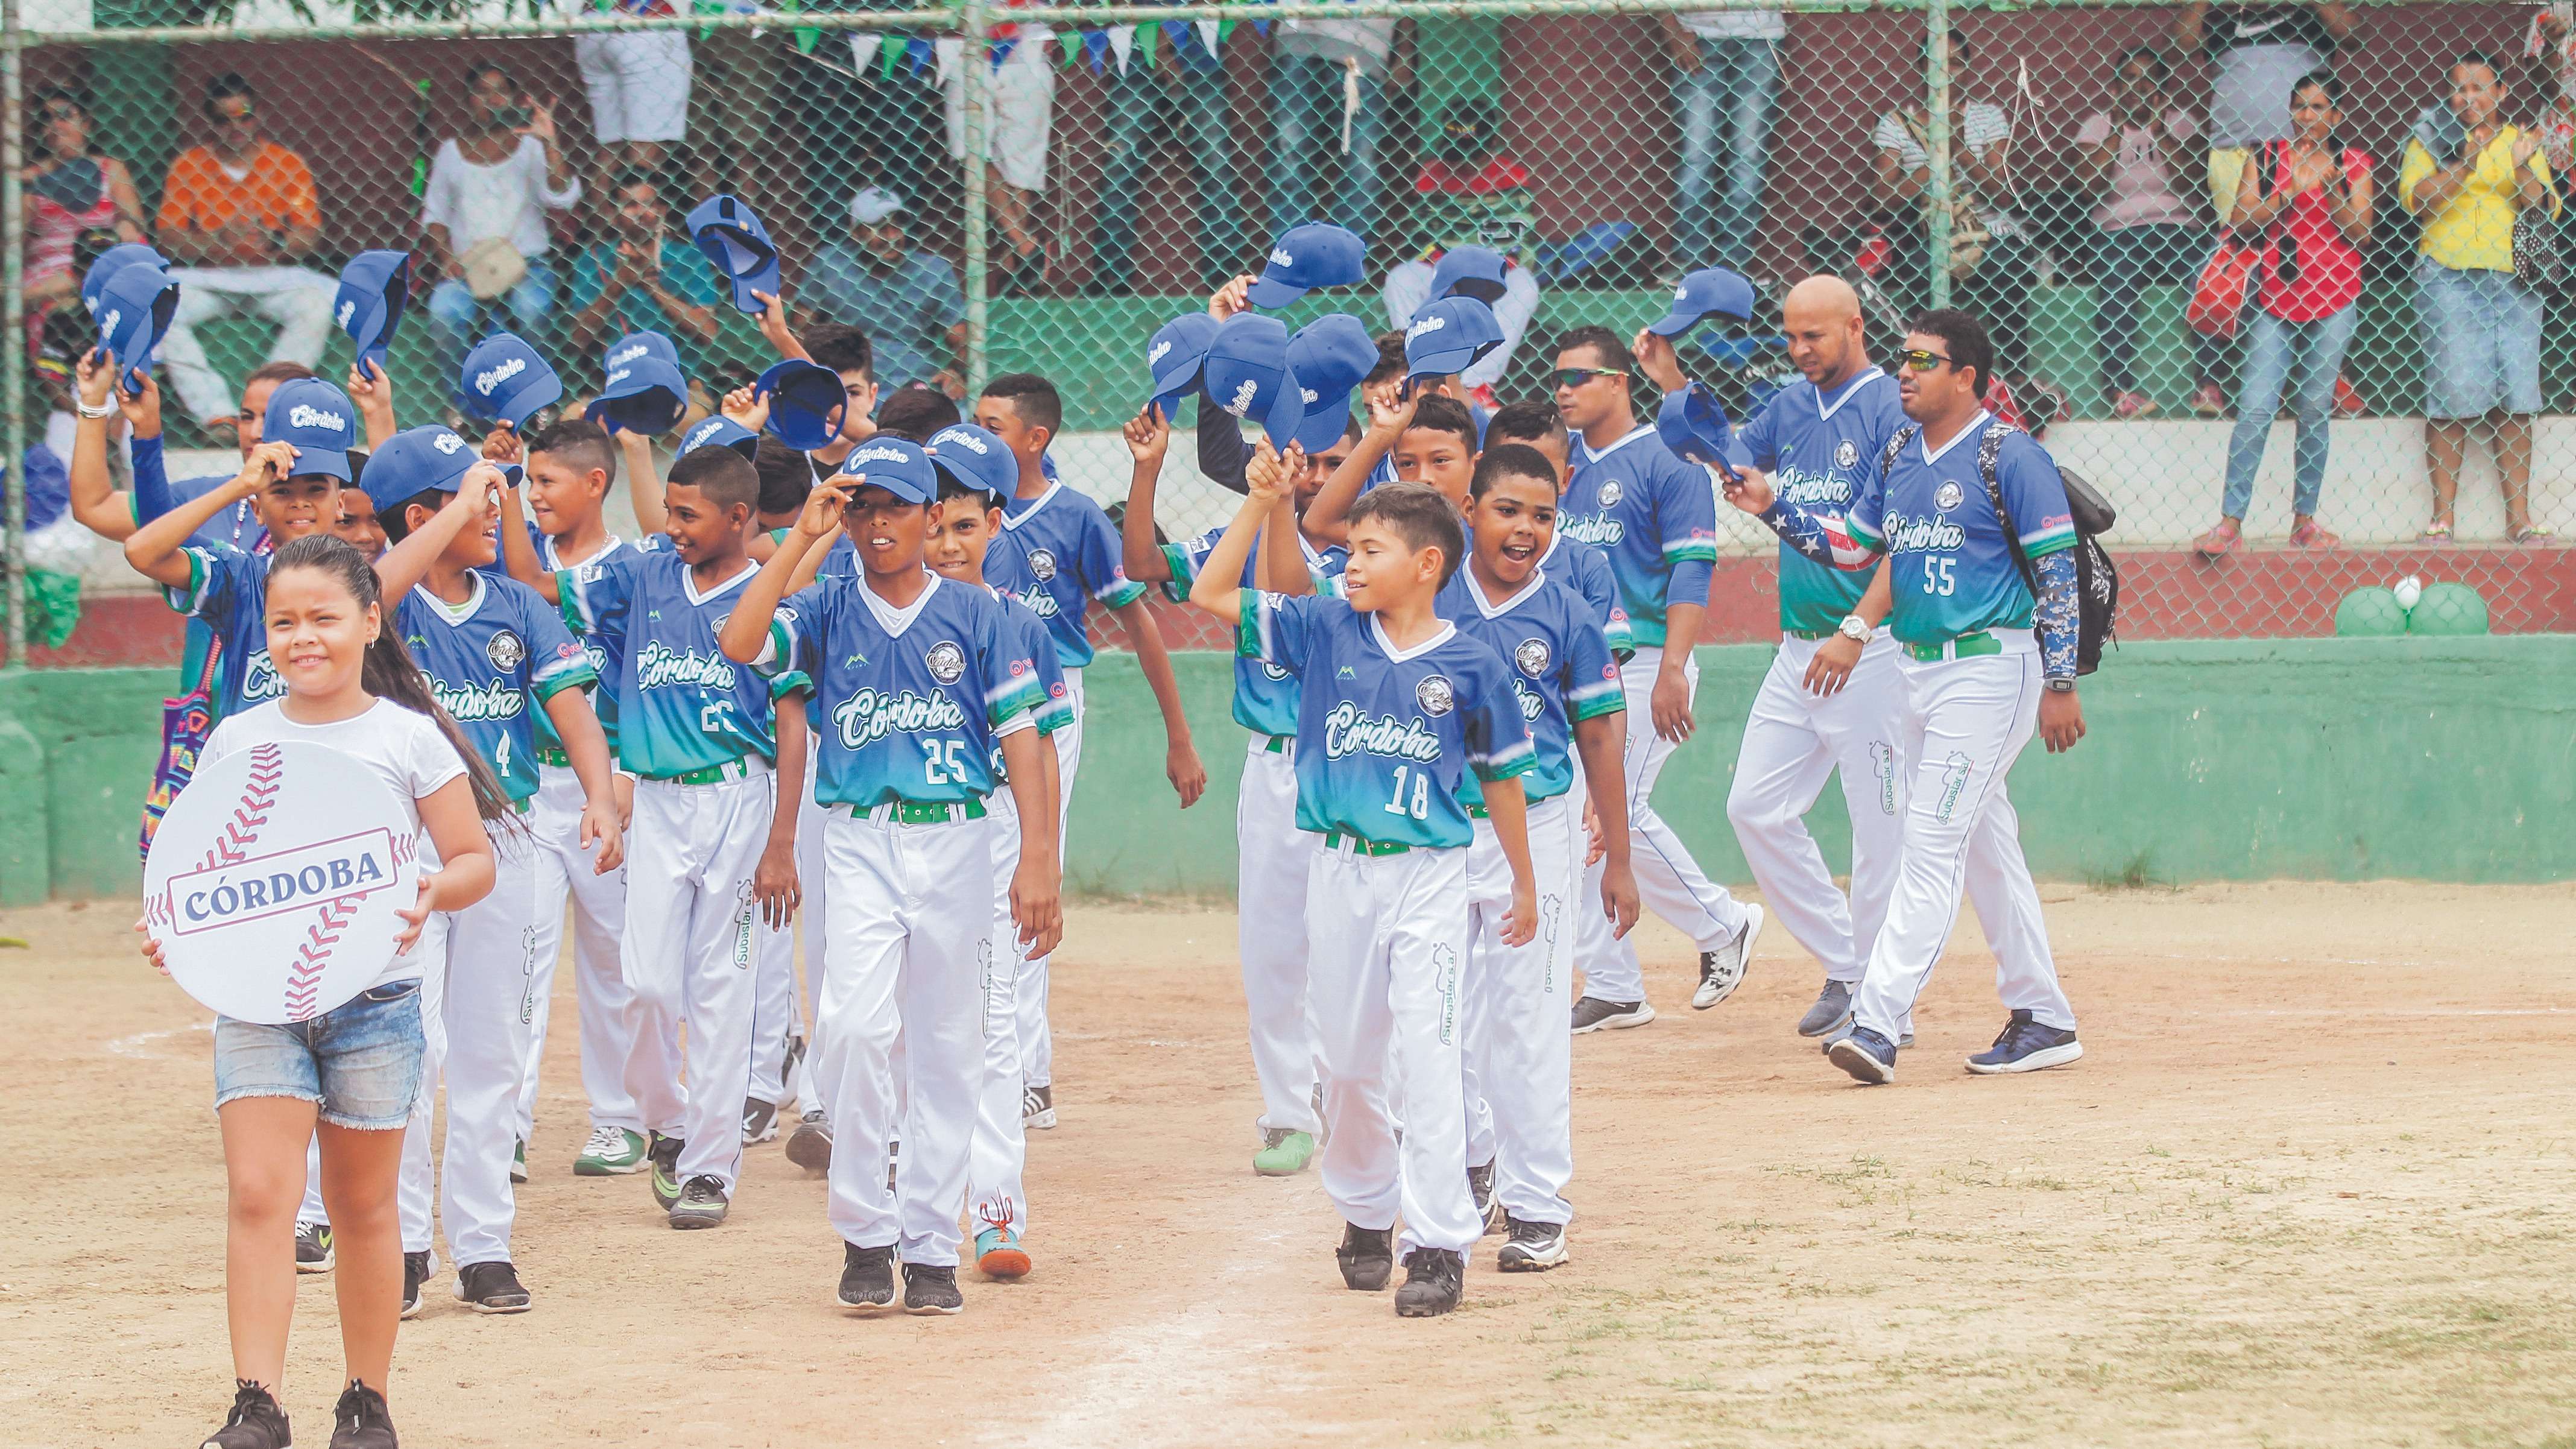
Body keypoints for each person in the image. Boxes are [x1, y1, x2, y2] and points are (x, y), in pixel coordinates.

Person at [145, 533, 503, 1449]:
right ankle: (256, 1402)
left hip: (376, 1004)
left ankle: (366, 1397)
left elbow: (474, 859)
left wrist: (431, 889)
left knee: (362, 1205)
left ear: (370, 621)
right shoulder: (240, 738)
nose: (303, 637)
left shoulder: (407, 735)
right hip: (261, 1003)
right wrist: (180, 931)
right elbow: (198, 871)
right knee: (262, 1193)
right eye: (284, 621)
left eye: (324, 618)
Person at [712, 441, 1062, 1317]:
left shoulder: (983, 616)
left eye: (895, 507)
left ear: (932, 517)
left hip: (956, 837)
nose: (877, 523)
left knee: (949, 1049)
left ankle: (931, 1244)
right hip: (860, 839)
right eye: (862, 506)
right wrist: (801, 536)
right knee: (855, 1029)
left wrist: (1040, 856)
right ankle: (865, 1228)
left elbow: (1026, 740)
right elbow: (740, 639)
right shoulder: (827, 606)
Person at [1185, 475, 1539, 1319]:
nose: (1348, 563)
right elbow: (1207, 590)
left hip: (1429, 874)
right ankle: (1368, 1209)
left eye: (1369, 550)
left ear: (1425, 564)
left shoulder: (1470, 661)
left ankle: (1439, 1240)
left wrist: (1523, 881)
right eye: (1346, 549)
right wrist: (1261, 501)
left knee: (1428, 1052)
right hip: (1338, 868)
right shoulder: (1324, 627)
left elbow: (1502, 780)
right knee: (1344, 1063)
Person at [1724, 308, 2086, 1084]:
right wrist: (1773, 507)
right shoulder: (1901, 451)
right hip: (1917, 669)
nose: (1906, 372)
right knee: (1988, 850)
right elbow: (1859, 547)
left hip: (1991, 668)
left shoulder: (2009, 454)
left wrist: (2061, 681)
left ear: (1966, 376)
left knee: (1930, 843)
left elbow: (2057, 574)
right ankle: (2044, 1015)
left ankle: (1879, 1023)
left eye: (1925, 360)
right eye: (1902, 359)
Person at [519, 443, 813, 1230]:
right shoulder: (649, 574)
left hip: (739, 803)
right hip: (656, 800)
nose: (671, 527)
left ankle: (710, 1168)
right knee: (644, 982)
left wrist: (782, 837)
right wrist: (610, 801)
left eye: (690, 515)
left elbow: (791, 724)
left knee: (721, 992)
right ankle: (669, 1120)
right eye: (670, 511)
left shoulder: (767, 600)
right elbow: (539, 580)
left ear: (740, 518)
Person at [370, 425, 623, 1314]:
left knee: (492, 1050)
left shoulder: (518, 605)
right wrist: (454, 508)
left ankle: (482, 1243)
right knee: (409, 1048)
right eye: (480, 496)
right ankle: (402, 1245)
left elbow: (573, 709)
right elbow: (369, 592)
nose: (500, 509)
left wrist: (597, 790)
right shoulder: (383, 605)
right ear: (422, 514)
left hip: (505, 843)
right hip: (401, 854)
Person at [1638, 276, 1907, 1045]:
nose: (1798, 351)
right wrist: (1673, 383)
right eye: (1789, 337)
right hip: (1798, 648)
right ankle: (1849, 966)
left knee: (1879, 830)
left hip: (1870, 646)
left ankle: (1886, 1003)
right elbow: (1725, 457)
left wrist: (1858, 627)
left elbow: (1896, 536)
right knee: (1753, 807)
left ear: (1855, 326)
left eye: (1813, 336)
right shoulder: (1793, 403)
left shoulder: (1891, 406)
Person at [1123, 403, 1352, 1177]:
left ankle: (1354, 1093)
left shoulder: (1376, 551)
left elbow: (1290, 595)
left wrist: (1281, 505)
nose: (1316, 477)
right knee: (1274, 944)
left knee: (1355, 942)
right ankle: (1290, 1110)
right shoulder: (1239, 539)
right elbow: (1146, 570)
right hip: (1277, 766)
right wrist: (1149, 469)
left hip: (1355, 765)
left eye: (1332, 464)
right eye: (1306, 463)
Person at [975, 372, 1205, 1127]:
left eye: (994, 425)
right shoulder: (958, 512)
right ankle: (985, 1054)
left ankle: (1026, 1069)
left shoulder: (1074, 516)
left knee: (1030, 863)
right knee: (974, 866)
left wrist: (1177, 734)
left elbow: (1137, 619)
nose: (980, 438)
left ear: (1036, 438)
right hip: (966, 697)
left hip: (1048, 698)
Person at [1433, 444, 1637, 1269]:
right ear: (1471, 509)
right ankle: (1472, 1157)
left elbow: (1596, 732)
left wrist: (1617, 857)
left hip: (1540, 828)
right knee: (1441, 1010)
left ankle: (1537, 1201)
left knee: (1531, 1013)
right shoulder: (1429, 596)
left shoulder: (1567, 614)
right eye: (1509, 509)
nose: (1526, 528)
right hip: (1438, 829)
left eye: (1544, 515)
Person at [1547, 326, 1758, 1033]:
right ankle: (1614, 984)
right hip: (1578, 668)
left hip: (1642, 664)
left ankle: (1723, 924)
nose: (1565, 391)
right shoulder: (1563, 462)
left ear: (1618, 381)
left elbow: (1692, 571)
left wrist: (1674, 668)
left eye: (1580, 377)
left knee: (1615, 816)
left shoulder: (1670, 463)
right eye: (1558, 379)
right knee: (1582, 824)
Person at [918, 423, 1072, 1281]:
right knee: (911, 1023)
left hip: (991, 833)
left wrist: (1040, 858)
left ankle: (997, 1211)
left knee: (995, 1017)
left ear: (997, 522)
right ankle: (920, 1200)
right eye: (930, 523)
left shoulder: (1019, 623)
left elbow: (1040, 748)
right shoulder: (881, 610)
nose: (944, 543)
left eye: (963, 525)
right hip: (900, 834)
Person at [491, 418, 664, 1178]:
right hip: (532, 786)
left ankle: (621, 1118)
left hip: (606, 782)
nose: (535, 495)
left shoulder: (629, 569)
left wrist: (624, 770)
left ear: (596, 484)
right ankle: (508, 1124)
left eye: (546, 482)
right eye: (528, 483)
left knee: (613, 961)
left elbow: (638, 673)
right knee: (518, 958)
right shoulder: (517, 561)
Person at [2197, 72, 2374, 555]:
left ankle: (2305, 521)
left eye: (2319, 108)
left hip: (2335, 296)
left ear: (2336, 117)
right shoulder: (2269, 156)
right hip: (2276, 296)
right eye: (2300, 107)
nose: (2308, 117)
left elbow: (2362, 232)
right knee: (2256, 407)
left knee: (2315, 408)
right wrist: (2289, 193)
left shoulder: (2354, 162)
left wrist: (2333, 195)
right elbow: (2239, 218)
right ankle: (2231, 522)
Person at [2401, 51, 2561, 542]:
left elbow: (2543, 208)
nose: (2466, 98)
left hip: (2513, 279)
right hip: (2448, 276)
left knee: (2516, 397)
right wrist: (2463, 166)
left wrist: (2522, 168)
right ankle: (2442, 518)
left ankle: (2519, 519)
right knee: (2450, 397)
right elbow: (2416, 202)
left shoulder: (2521, 140)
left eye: (2478, 88)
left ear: (2501, 93)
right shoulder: (2432, 137)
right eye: (2459, 89)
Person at [153, 74, 337, 435]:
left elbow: (310, 233)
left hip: (272, 277)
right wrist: (215, 241)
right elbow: (169, 237)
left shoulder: (286, 163)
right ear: (210, 124)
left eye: (245, 117)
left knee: (316, 305)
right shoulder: (189, 165)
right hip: (210, 279)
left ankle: (270, 408)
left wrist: (276, 242)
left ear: (259, 116)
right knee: (158, 307)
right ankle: (216, 415)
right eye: (224, 120)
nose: (236, 127)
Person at [1868, 36, 2044, 403]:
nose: (1946, 73)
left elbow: (2005, 193)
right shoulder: (1897, 123)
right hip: (1930, 231)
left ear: (1968, 69)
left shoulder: (1987, 116)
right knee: (1917, 270)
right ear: (1921, 68)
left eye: (1956, 63)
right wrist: (1933, 160)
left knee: (2008, 264)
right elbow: (1881, 201)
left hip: (1989, 229)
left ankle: (2014, 379)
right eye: (1937, 63)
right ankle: (1927, 379)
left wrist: (1958, 149)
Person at [2071, 48, 2227, 418]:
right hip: (2118, 231)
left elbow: (2194, 179)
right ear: (2115, 87)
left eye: (2148, 80)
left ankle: (2209, 384)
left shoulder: (2181, 121)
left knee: (2206, 272)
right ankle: (2121, 390)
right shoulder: (2098, 124)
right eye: (2129, 78)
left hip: (2179, 229)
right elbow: (2087, 185)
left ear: (2162, 89)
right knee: (2116, 277)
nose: (2138, 87)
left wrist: (2158, 131)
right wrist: (2119, 130)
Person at [420, 64, 581, 407]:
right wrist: (446, 256)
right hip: (468, 267)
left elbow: (562, 196)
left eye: (500, 91)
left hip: (528, 263)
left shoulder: (531, 147)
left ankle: (539, 404)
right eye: (482, 91)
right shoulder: (450, 151)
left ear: (513, 98)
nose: (491, 100)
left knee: (531, 309)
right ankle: (466, 407)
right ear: (467, 101)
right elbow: (434, 215)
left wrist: (550, 141)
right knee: (444, 313)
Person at [1382, 109, 1545, 398]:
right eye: (1459, 153)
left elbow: (1519, 243)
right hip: (1440, 268)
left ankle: (1475, 384)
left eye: (1475, 153)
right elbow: (1420, 236)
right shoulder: (1431, 174)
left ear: (1491, 144)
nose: (1467, 163)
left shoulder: (1511, 175)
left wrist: (1484, 264)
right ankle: (1421, 373)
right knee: (1400, 279)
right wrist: (1447, 264)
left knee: (1525, 285)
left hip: (1492, 272)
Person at [1088, 25, 1246, 295]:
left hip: (1198, 40)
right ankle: (1110, 278)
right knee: (1120, 160)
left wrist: (1169, 38)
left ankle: (1225, 279)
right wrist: (1158, 42)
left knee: (1216, 161)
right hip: (1135, 40)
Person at [2175, 1, 2353, 224]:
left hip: (2303, 150)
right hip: (2235, 149)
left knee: (2307, 236)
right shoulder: (2221, 16)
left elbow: (2355, 36)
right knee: (2239, 243)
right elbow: (2177, 48)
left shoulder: (2312, 15)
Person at [801, 188, 969, 398]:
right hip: (846, 379)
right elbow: (799, 329)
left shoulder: (934, 270)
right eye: (879, 228)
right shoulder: (831, 264)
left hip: (915, 382)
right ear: (856, 233)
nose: (892, 236)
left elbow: (962, 341)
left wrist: (954, 372)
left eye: (897, 226)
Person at [1265, 8, 1414, 244]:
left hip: (1366, 45)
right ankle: (1289, 259)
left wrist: (1405, 53)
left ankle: (1343, 258)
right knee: (1290, 152)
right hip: (1299, 35)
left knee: (1361, 159)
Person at [1658, 4, 1784, 274]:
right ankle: (1691, 264)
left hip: (1759, 37)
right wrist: (1672, 32)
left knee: (1748, 156)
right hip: (1697, 34)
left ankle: (1734, 266)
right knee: (1697, 155)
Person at [941, 1, 1056, 291]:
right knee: (971, 147)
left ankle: (1015, 261)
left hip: (1028, 45)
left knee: (1022, 160)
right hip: (964, 48)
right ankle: (1025, 244)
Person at [566, 170, 724, 379]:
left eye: (649, 204)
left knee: (694, 412)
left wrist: (650, 285)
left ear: (663, 210)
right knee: (573, 413)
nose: (641, 212)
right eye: (630, 206)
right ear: (614, 214)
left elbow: (708, 332)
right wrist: (619, 284)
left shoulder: (689, 258)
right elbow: (576, 339)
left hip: (681, 378)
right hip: (613, 380)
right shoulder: (593, 260)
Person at [22, 90, 148, 350]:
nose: (55, 125)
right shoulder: (28, 178)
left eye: (65, 116)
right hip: (49, 270)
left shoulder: (111, 169)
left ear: (87, 124)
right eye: (46, 119)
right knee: (52, 313)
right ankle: (62, 387)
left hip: (101, 259)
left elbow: (132, 224)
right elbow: (14, 242)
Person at [573, 0, 693, 191]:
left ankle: (606, 217)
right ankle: (641, 214)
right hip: (647, 18)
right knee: (646, 144)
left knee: (609, 145)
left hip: (593, 18)